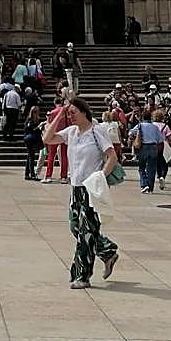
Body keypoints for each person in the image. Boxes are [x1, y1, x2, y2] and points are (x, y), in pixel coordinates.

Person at [42, 96, 119, 289]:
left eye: (73, 112)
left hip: (90, 187)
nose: (71, 116)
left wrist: (100, 177)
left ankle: (82, 275)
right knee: (75, 227)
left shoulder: (96, 131)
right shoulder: (71, 132)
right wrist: (59, 114)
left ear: (84, 112)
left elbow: (112, 156)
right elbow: (47, 139)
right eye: (69, 113)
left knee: (86, 232)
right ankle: (108, 251)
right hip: (75, 188)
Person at [130, 112, 163, 194]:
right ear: (150, 117)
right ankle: (150, 187)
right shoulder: (155, 127)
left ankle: (144, 184)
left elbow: (130, 132)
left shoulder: (140, 125)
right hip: (153, 147)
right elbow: (161, 139)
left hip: (143, 147)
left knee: (142, 167)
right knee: (151, 168)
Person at [24, 105, 43, 180]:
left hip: (33, 139)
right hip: (30, 140)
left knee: (30, 156)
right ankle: (32, 174)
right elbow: (28, 130)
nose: (37, 113)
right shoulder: (29, 120)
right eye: (35, 112)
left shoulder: (35, 120)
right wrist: (38, 127)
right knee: (31, 156)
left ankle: (27, 173)